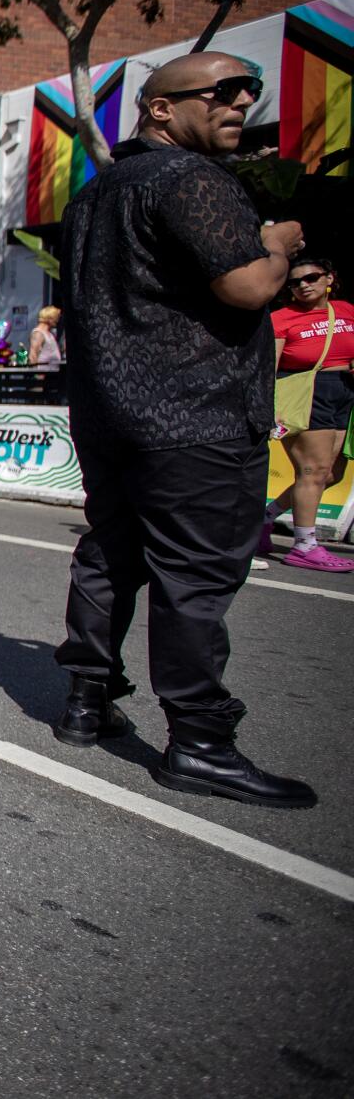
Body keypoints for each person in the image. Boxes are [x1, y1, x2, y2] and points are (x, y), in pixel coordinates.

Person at [53, 50, 314, 807]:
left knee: (109, 554)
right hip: (191, 413)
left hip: (108, 413)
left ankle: (86, 697)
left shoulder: (92, 196)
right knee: (192, 578)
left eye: (248, 92)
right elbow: (246, 284)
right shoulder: (192, 179)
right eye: (222, 91)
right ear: (161, 109)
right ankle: (199, 740)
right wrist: (279, 244)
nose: (240, 103)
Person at [264, 256, 354, 571]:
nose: (303, 285)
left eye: (311, 277)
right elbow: (268, 367)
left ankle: (265, 518)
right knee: (312, 471)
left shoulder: (346, 311)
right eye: (295, 282)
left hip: (343, 390)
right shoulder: (282, 318)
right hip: (306, 392)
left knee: (331, 474)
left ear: (329, 278)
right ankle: (304, 545)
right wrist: (269, 406)